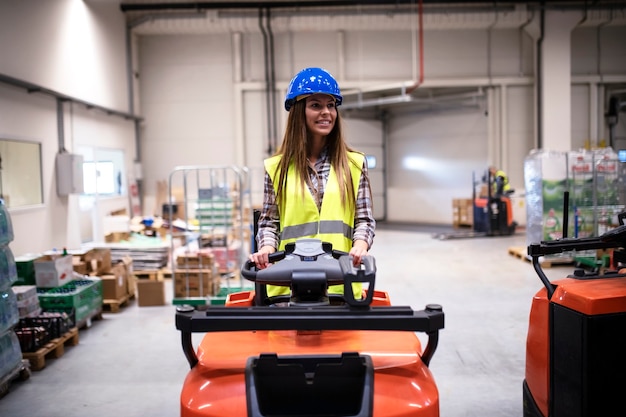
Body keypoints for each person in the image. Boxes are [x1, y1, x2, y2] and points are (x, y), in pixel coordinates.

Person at [249, 67, 376, 299]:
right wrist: (266, 250)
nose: (326, 112)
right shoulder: (276, 168)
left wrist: (360, 246)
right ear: (299, 111)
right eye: (316, 105)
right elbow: (269, 223)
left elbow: (364, 220)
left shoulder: (355, 164)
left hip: (340, 281)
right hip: (288, 283)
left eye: (331, 105)